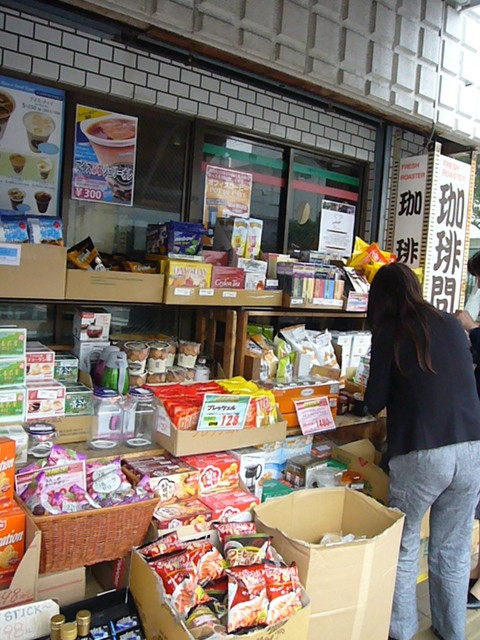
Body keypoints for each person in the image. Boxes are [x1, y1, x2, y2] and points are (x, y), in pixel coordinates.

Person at [364, 262, 480, 640]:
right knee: (453, 548)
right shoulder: (450, 324)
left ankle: (400, 632)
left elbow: (373, 402)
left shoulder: (390, 331)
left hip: (423, 451)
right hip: (472, 447)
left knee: (404, 543)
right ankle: (452, 632)